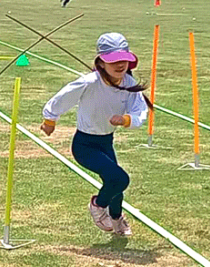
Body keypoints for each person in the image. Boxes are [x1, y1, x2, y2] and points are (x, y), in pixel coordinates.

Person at [41, 33, 151, 236]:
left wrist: (127, 120)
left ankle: (117, 219)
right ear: (101, 62)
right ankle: (97, 205)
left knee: (114, 184)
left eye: (123, 60)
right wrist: (50, 120)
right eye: (113, 61)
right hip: (85, 145)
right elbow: (63, 97)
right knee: (120, 178)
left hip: (106, 142)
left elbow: (139, 110)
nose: (120, 65)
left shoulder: (128, 83)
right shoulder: (90, 82)